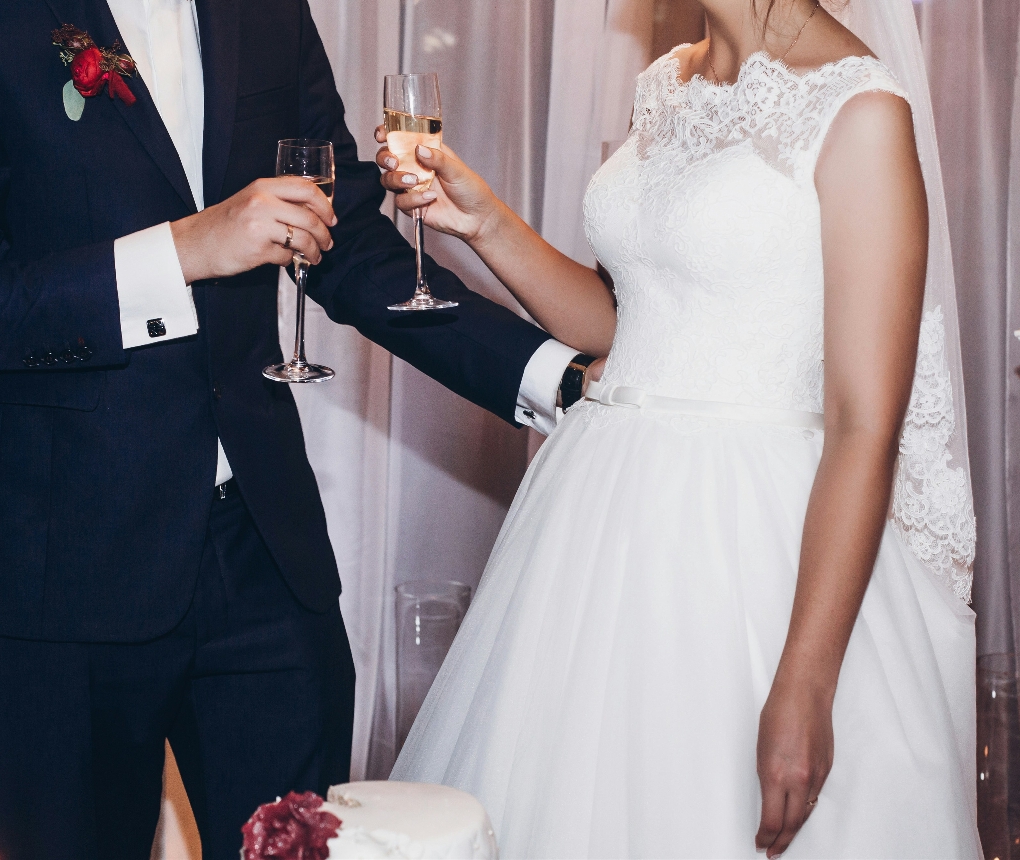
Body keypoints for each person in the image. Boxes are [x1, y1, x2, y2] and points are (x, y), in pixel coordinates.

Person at [0, 0, 592, 857]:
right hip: (53, 565)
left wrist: (557, 378)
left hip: (263, 552)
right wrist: (185, 250)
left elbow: (341, 233)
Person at [383, 0, 981, 856]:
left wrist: (806, 686)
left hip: (752, 541)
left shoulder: (862, 110)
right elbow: (630, 328)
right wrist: (482, 222)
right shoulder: (667, 82)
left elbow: (862, 425)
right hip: (597, 519)